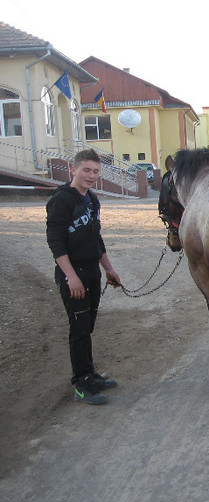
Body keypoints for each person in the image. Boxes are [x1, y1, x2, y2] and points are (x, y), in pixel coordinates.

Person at [46, 149, 122, 405]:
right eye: (86, 170)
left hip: (91, 271)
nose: (91, 176)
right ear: (73, 170)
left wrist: (108, 268)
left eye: (95, 171)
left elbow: (95, 237)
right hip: (73, 273)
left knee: (87, 326)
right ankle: (81, 384)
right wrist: (71, 277)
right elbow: (56, 242)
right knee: (78, 330)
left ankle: (90, 374)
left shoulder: (92, 199)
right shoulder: (62, 200)